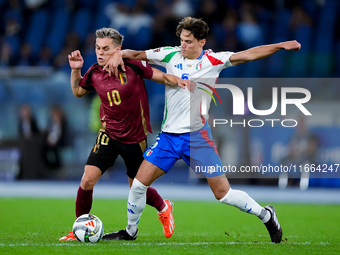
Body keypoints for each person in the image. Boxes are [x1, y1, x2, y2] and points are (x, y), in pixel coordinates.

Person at [102, 17, 301, 243]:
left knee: (223, 194)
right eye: (181, 40)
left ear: (202, 42)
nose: (182, 45)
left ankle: (266, 215)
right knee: (138, 185)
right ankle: (130, 232)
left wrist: (280, 46)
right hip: (168, 138)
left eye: (187, 41)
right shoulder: (170, 54)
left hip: (197, 138)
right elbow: (136, 54)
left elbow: (249, 54)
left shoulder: (214, 60)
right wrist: (118, 53)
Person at [59, 27, 191, 241]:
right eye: (97, 48)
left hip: (134, 139)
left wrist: (182, 82)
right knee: (87, 181)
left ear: (118, 49)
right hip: (108, 134)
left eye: (105, 49)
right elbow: (77, 91)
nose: (100, 53)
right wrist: (75, 70)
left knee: (136, 187)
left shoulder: (134, 67)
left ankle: (164, 206)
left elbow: (163, 77)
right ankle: (80, 227)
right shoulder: (94, 72)